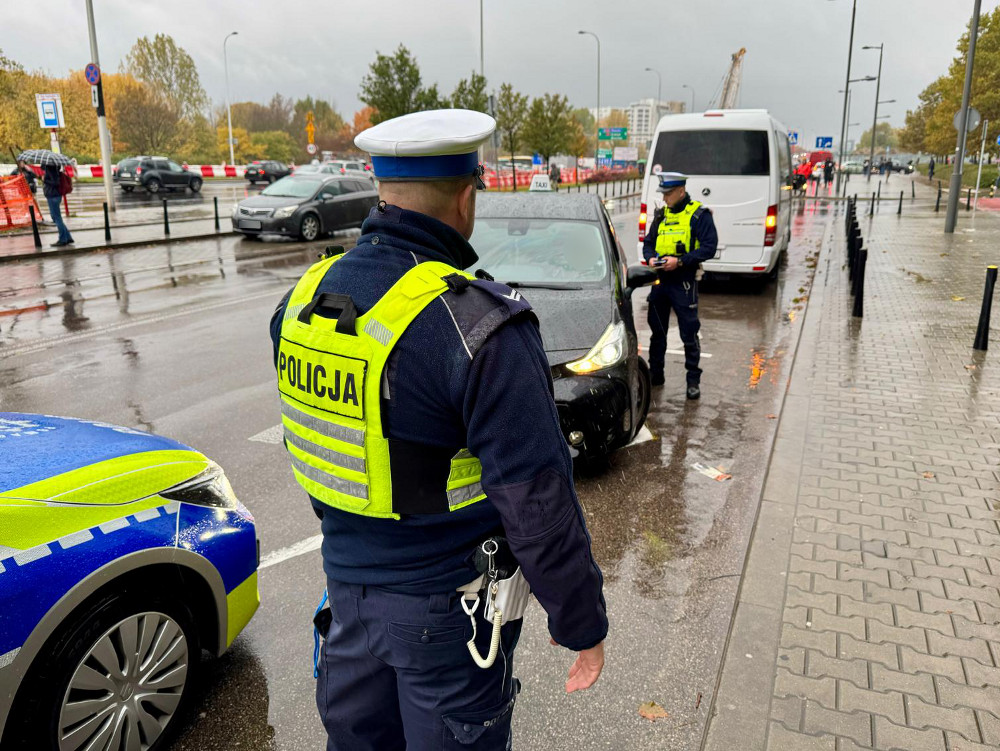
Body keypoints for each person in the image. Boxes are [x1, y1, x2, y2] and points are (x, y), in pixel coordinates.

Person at [269, 109, 607, 751]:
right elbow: (538, 503)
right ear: (466, 193)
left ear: (380, 188)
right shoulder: (478, 326)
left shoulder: (303, 301)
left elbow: (315, 438)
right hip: (444, 619)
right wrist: (580, 621)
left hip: (344, 603)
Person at [642, 171, 718, 399]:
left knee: (689, 334)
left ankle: (692, 381)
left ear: (681, 191)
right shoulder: (661, 215)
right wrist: (651, 259)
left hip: (683, 283)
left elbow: (709, 247)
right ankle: (656, 375)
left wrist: (682, 261)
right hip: (660, 282)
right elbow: (648, 244)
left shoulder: (698, 215)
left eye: (668, 194)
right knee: (657, 333)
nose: (664, 198)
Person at [42, 164, 73, 247]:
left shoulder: (50, 169)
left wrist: (44, 180)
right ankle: (68, 237)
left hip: (53, 196)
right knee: (56, 217)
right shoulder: (55, 168)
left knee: (56, 218)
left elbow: (55, 182)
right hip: (56, 195)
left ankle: (63, 239)